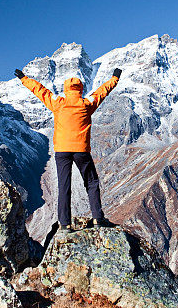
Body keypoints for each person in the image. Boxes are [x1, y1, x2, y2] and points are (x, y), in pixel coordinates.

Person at [14, 67, 122, 229]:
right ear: (80, 89)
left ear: (65, 89)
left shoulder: (58, 103)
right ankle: (98, 219)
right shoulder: (87, 103)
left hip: (62, 151)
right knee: (91, 182)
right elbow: (102, 92)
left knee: (64, 186)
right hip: (81, 150)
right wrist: (114, 78)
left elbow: (40, 90)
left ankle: (64, 225)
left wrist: (24, 78)